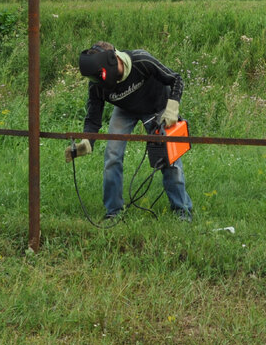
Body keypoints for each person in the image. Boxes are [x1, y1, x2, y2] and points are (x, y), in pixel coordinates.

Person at [67, 41, 194, 221]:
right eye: (93, 78)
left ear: (113, 60)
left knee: (169, 158)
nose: (96, 82)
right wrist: (88, 141)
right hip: (125, 110)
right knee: (112, 155)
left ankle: (182, 210)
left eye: (98, 76)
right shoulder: (97, 84)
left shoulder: (141, 61)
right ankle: (113, 211)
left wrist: (172, 108)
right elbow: (93, 118)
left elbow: (176, 79)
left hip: (158, 107)